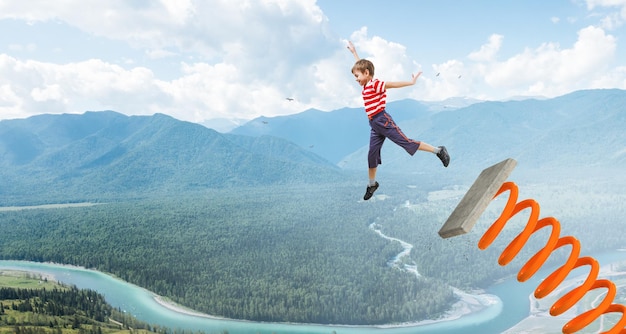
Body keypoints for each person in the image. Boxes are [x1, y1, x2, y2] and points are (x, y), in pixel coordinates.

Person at [347, 41, 450, 200]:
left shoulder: (375, 84)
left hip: (383, 121)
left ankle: (439, 150)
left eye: (357, 76)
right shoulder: (366, 85)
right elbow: (361, 66)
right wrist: (354, 52)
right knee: (371, 155)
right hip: (374, 125)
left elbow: (392, 84)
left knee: (406, 142)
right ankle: (372, 184)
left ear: (366, 73)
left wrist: (411, 82)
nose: (356, 79)